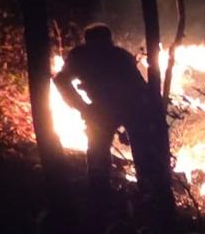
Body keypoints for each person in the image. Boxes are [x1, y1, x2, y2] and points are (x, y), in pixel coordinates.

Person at [53, 24, 169, 214]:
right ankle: (101, 192)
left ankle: (145, 193)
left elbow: (138, 87)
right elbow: (61, 80)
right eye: (97, 44)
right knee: (99, 149)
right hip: (104, 108)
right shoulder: (83, 56)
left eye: (103, 44)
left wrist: (140, 115)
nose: (100, 49)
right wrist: (83, 107)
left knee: (137, 150)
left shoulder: (118, 57)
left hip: (129, 107)